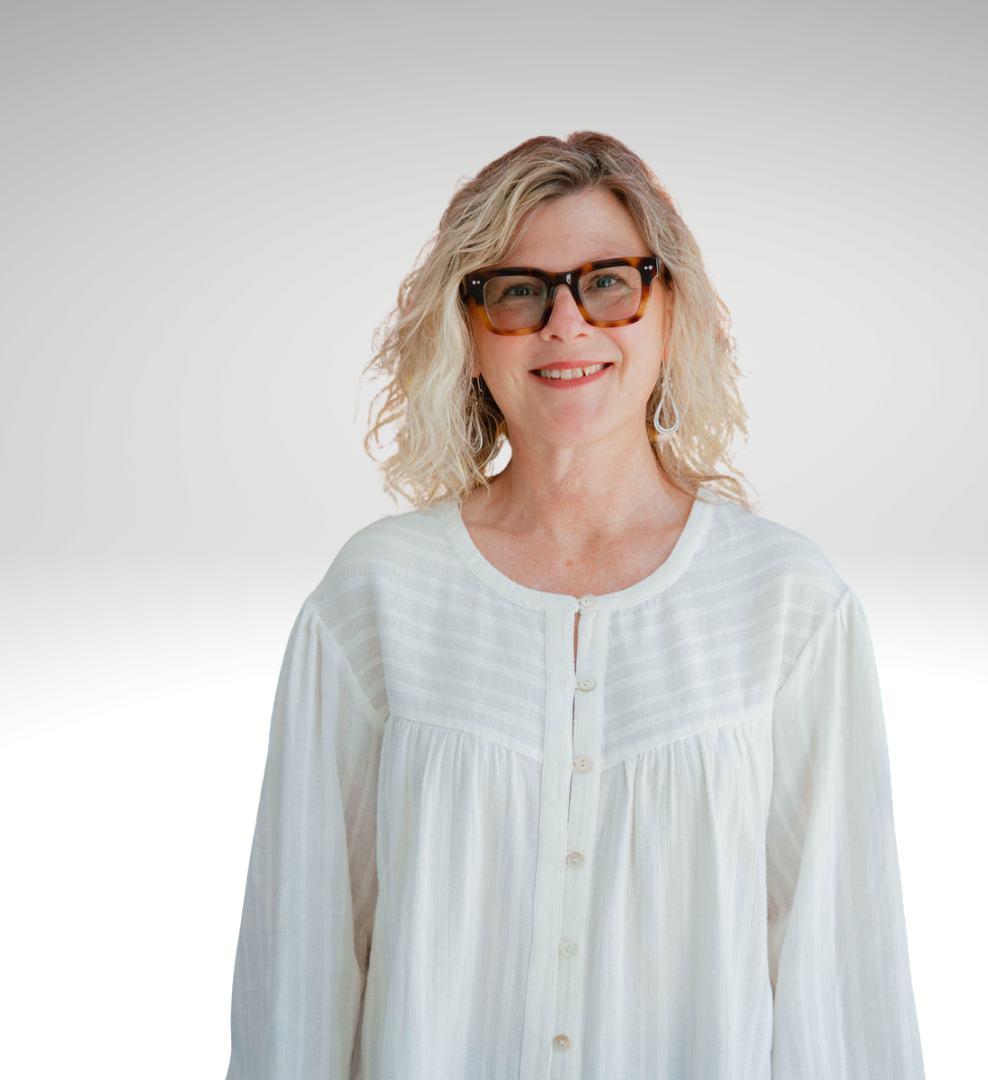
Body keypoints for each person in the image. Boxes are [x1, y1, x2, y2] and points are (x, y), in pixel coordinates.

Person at [224, 132, 926, 1079]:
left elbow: (842, 981)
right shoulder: (375, 600)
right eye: (519, 289)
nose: (566, 323)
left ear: (669, 311)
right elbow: (299, 970)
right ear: (466, 334)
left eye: (608, 282)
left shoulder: (787, 606)